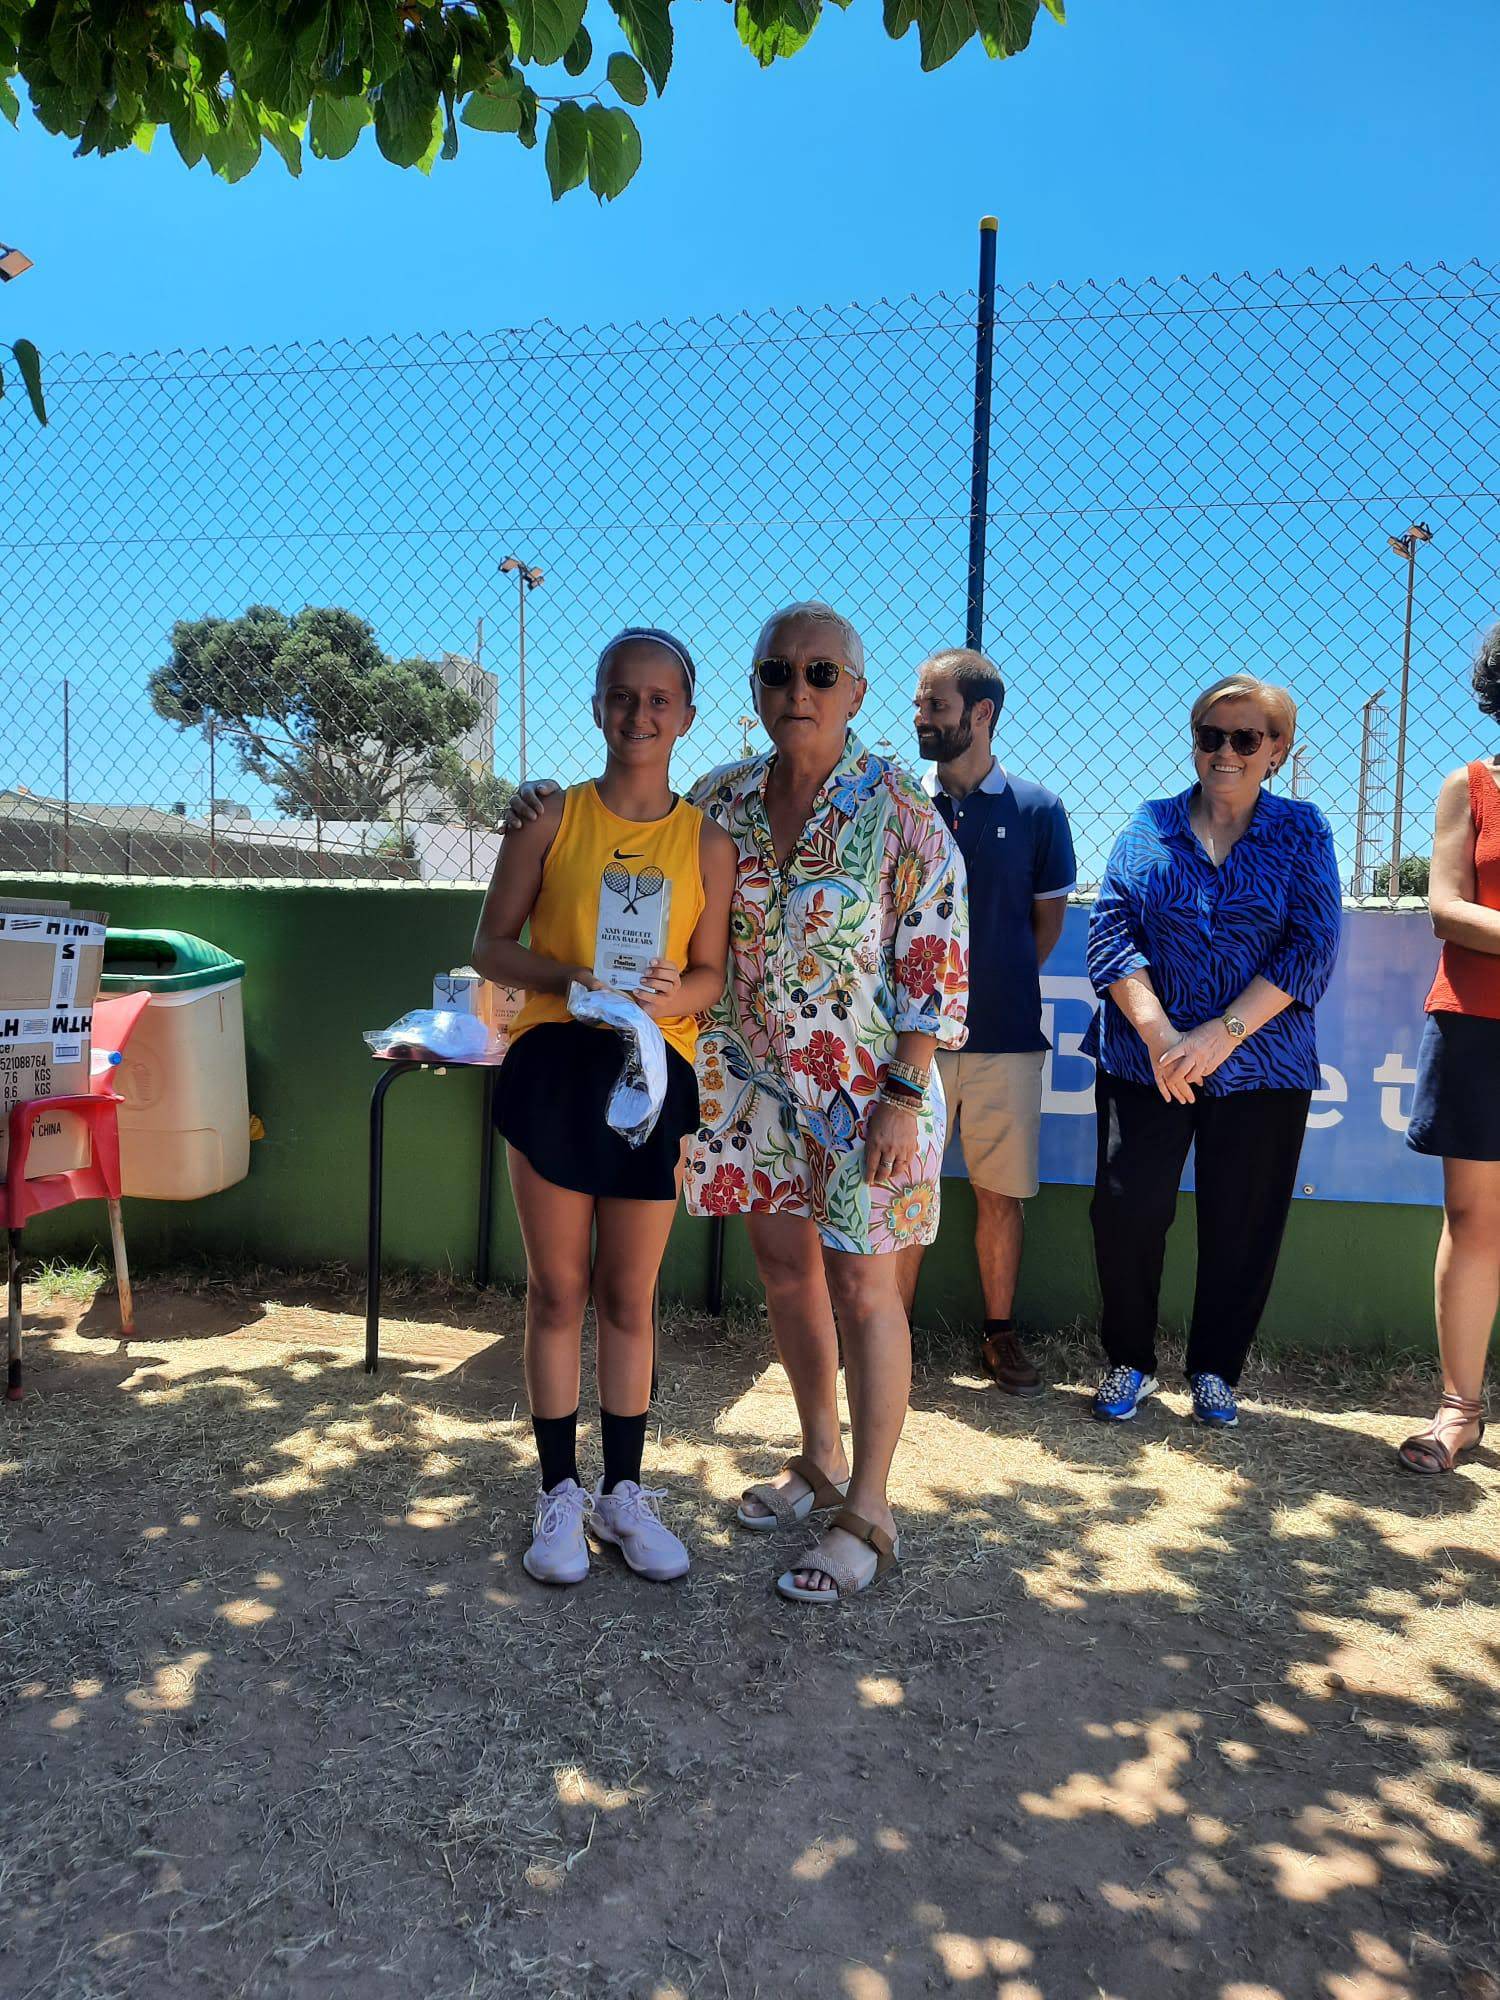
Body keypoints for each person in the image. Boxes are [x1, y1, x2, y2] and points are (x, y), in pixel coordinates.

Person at [508, 602, 968, 1603]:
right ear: (754, 688)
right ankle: (819, 1459)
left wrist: (905, 1089)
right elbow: (633, 818)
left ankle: (869, 1510)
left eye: (819, 673)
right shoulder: (723, 801)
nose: (798, 690)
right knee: (788, 1275)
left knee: (866, 1292)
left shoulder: (901, 809)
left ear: (856, 691)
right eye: (777, 673)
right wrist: (534, 801)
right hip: (753, 1090)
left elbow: (934, 959)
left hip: (867, 1092)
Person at [472, 628, 735, 1586]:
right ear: (595, 707)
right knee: (557, 1292)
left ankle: (624, 1492)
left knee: (629, 1297)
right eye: (622, 696)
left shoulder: (708, 842)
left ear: (687, 717)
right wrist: (570, 978)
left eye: (659, 700)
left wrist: (668, 998)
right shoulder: (549, 817)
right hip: (555, 1067)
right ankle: (559, 1493)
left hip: (650, 1078)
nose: (639, 714)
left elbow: (710, 975)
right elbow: (490, 946)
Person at [1083, 672, 1342, 1429]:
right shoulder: (1149, 823)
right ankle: (1129, 1361)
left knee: (1243, 1222)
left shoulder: (1303, 830)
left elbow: (1312, 947)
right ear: (1194, 743)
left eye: (1246, 738)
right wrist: (1163, 1037)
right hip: (1147, 1062)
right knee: (1127, 1212)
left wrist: (1219, 1034)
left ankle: (1216, 1371)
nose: (1226, 751)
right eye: (1211, 735)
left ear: (1276, 751)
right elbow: (1111, 933)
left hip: (1262, 1065)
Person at [898, 647, 1075, 1395]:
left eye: (934, 705)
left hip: (1007, 1040)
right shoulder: (902, 808)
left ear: (982, 714)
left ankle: (999, 1334)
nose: (920, 718)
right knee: (903, 1192)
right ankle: (889, 1336)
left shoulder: (1039, 811)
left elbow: (1044, 928)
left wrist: (986, 987)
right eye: (918, 704)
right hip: (912, 1044)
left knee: (1000, 1196)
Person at [1398, 625, 1500, 1474]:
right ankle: (1459, 1410)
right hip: (1477, 1024)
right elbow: (1446, 907)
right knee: (1473, 1220)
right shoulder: (1471, 787)